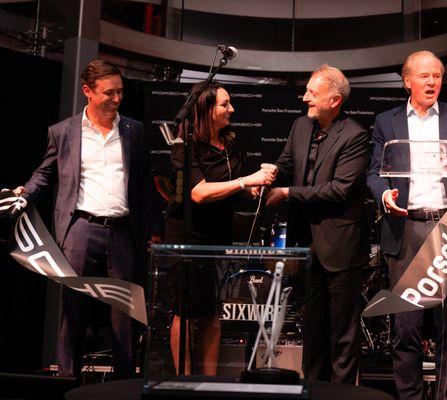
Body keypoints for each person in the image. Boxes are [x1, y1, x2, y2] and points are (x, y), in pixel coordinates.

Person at [14, 59, 162, 379]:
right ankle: (67, 380)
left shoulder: (133, 130)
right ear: (87, 92)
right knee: (74, 311)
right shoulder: (63, 131)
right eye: (109, 93)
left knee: (125, 313)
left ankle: (124, 383)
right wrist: (24, 194)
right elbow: (45, 174)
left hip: (123, 232)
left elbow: (143, 185)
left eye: (120, 92)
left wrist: (154, 230)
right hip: (80, 229)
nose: (116, 98)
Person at [366, 50, 447, 400]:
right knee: (406, 326)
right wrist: (385, 196)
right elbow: (374, 173)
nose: (432, 82)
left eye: (437, 76)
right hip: (407, 230)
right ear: (407, 81)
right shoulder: (387, 122)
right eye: (424, 76)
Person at [164, 82, 276, 375]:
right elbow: (199, 193)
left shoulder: (230, 143)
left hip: (218, 236)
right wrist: (244, 182)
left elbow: (237, 188)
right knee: (185, 312)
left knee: (214, 311)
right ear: (206, 109)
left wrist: (258, 184)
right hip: (187, 236)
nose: (232, 109)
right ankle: (183, 380)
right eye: (225, 104)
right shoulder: (185, 146)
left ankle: (211, 379)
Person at [267, 65, 370, 383]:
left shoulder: (355, 135)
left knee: (342, 333)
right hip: (305, 245)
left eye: (313, 92)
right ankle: (312, 389)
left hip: (340, 247)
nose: (305, 97)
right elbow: (286, 164)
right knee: (312, 329)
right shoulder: (300, 126)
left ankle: (340, 393)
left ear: (335, 99)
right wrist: (268, 173)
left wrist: (287, 192)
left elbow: (339, 189)